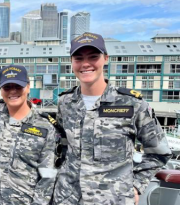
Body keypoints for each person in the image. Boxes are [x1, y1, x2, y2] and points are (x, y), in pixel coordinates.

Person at [52, 32, 172, 205]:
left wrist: (136, 185)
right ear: (71, 62)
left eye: (93, 57)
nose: (85, 64)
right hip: (67, 198)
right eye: (78, 58)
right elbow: (62, 148)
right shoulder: (65, 102)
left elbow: (159, 152)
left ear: (105, 58)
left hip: (112, 199)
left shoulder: (132, 103)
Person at [0, 65, 59, 204]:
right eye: (7, 87)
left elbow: (47, 176)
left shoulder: (44, 127)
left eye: (18, 86)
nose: (13, 91)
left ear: (28, 87)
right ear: (1, 90)